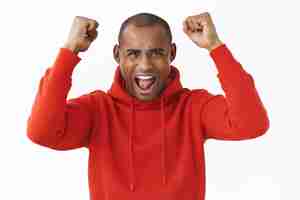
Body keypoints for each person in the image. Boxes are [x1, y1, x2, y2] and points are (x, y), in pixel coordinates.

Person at [27, 12, 269, 200]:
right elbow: (41, 132)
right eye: (133, 53)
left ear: (171, 53)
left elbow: (251, 124)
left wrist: (215, 47)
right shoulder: (98, 110)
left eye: (156, 53)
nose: (145, 65)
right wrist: (69, 51)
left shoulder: (193, 107)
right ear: (117, 55)